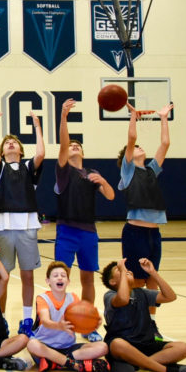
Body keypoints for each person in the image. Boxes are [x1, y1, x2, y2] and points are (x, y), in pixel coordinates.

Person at [55, 99, 115, 342]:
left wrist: (104, 182)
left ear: (83, 153)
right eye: (72, 145)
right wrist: (64, 117)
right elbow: (63, 144)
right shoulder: (63, 170)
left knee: (88, 277)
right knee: (60, 277)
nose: (74, 147)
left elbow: (110, 197)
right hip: (66, 230)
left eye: (78, 145)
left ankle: (88, 324)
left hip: (88, 232)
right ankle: (59, 321)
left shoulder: (92, 173)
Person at [118, 102, 174, 329]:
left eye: (141, 147)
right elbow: (131, 139)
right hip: (135, 232)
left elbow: (165, 143)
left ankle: (151, 322)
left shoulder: (151, 169)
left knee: (152, 278)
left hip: (154, 234)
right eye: (136, 148)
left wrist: (163, 118)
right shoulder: (128, 170)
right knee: (134, 279)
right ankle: (130, 319)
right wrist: (133, 116)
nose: (140, 147)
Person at [0, 110, 44, 336]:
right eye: (7, 143)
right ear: (3, 152)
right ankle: (0, 320)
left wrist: (37, 127)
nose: (10, 144)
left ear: (20, 150)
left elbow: (41, 153)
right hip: (3, 228)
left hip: (28, 227)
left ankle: (27, 320)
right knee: (3, 276)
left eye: (14, 143)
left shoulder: (29, 168)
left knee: (28, 276)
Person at [101, 258, 186, 372]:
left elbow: (170, 297)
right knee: (117, 344)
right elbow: (123, 299)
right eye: (119, 270)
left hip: (146, 344)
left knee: (183, 347)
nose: (126, 270)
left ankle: (139, 364)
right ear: (112, 282)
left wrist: (153, 273)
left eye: (126, 269)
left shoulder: (142, 293)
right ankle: (166, 371)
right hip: (124, 345)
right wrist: (123, 273)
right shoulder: (110, 295)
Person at [25, 261, 109, 372]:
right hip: (46, 346)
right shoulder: (43, 298)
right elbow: (45, 321)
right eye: (55, 276)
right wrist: (59, 326)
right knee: (32, 344)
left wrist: (92, 325)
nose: (60, 278)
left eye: (63, 276)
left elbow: (80, 323)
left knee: (103, 347)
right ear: (48, 281)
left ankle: (56, 362)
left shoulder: (73, 298)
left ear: (68, 281)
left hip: (68, 348)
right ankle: (71, 363)